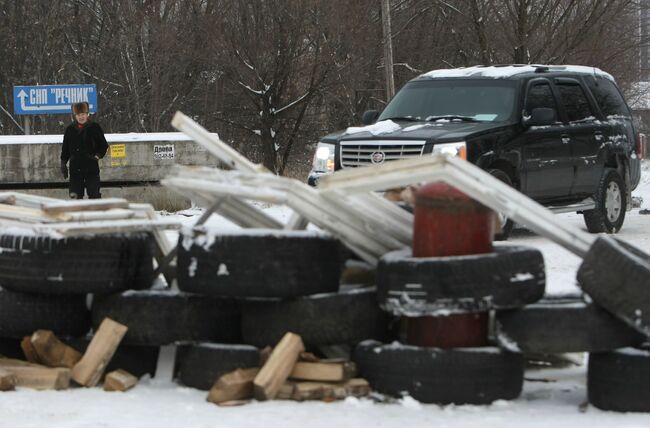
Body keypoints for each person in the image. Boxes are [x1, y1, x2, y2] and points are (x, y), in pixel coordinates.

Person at [60, 102, 109, 199]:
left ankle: (95, 213)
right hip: (75, 168)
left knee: (94, 194)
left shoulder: (95, 127)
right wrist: (63, 163)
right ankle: (78, 214)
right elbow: (65, 149)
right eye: (78, 115)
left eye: (83, 114)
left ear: (87, 114)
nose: (81, 117)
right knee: (75, 195)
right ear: (75, 116)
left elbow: (103, 145)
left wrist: (97, 156)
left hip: (91, 168)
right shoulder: (70, 130)